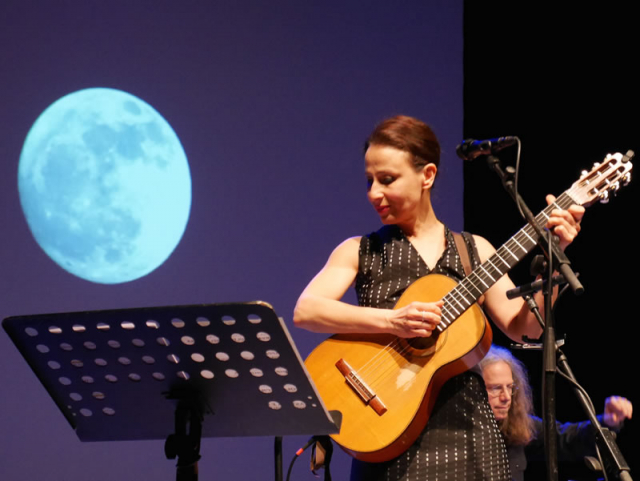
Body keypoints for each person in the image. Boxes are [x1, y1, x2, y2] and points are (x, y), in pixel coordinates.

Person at [293, 115, 584, 480]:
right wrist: (391, 321)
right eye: (369, 181)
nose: (373, 193)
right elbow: (307, 310)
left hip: (468, 437)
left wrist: (553, 266)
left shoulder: (473, 250)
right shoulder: (360, 251)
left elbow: (523, 329)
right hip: (385, 431)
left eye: (387, 180)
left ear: (427, 175)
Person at [478, 345, 633, 481]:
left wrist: (606, 421)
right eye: (495, 388)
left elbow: (565, 439)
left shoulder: (517, 425)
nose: (506, 397)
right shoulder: (458, 435)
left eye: (510, 387)